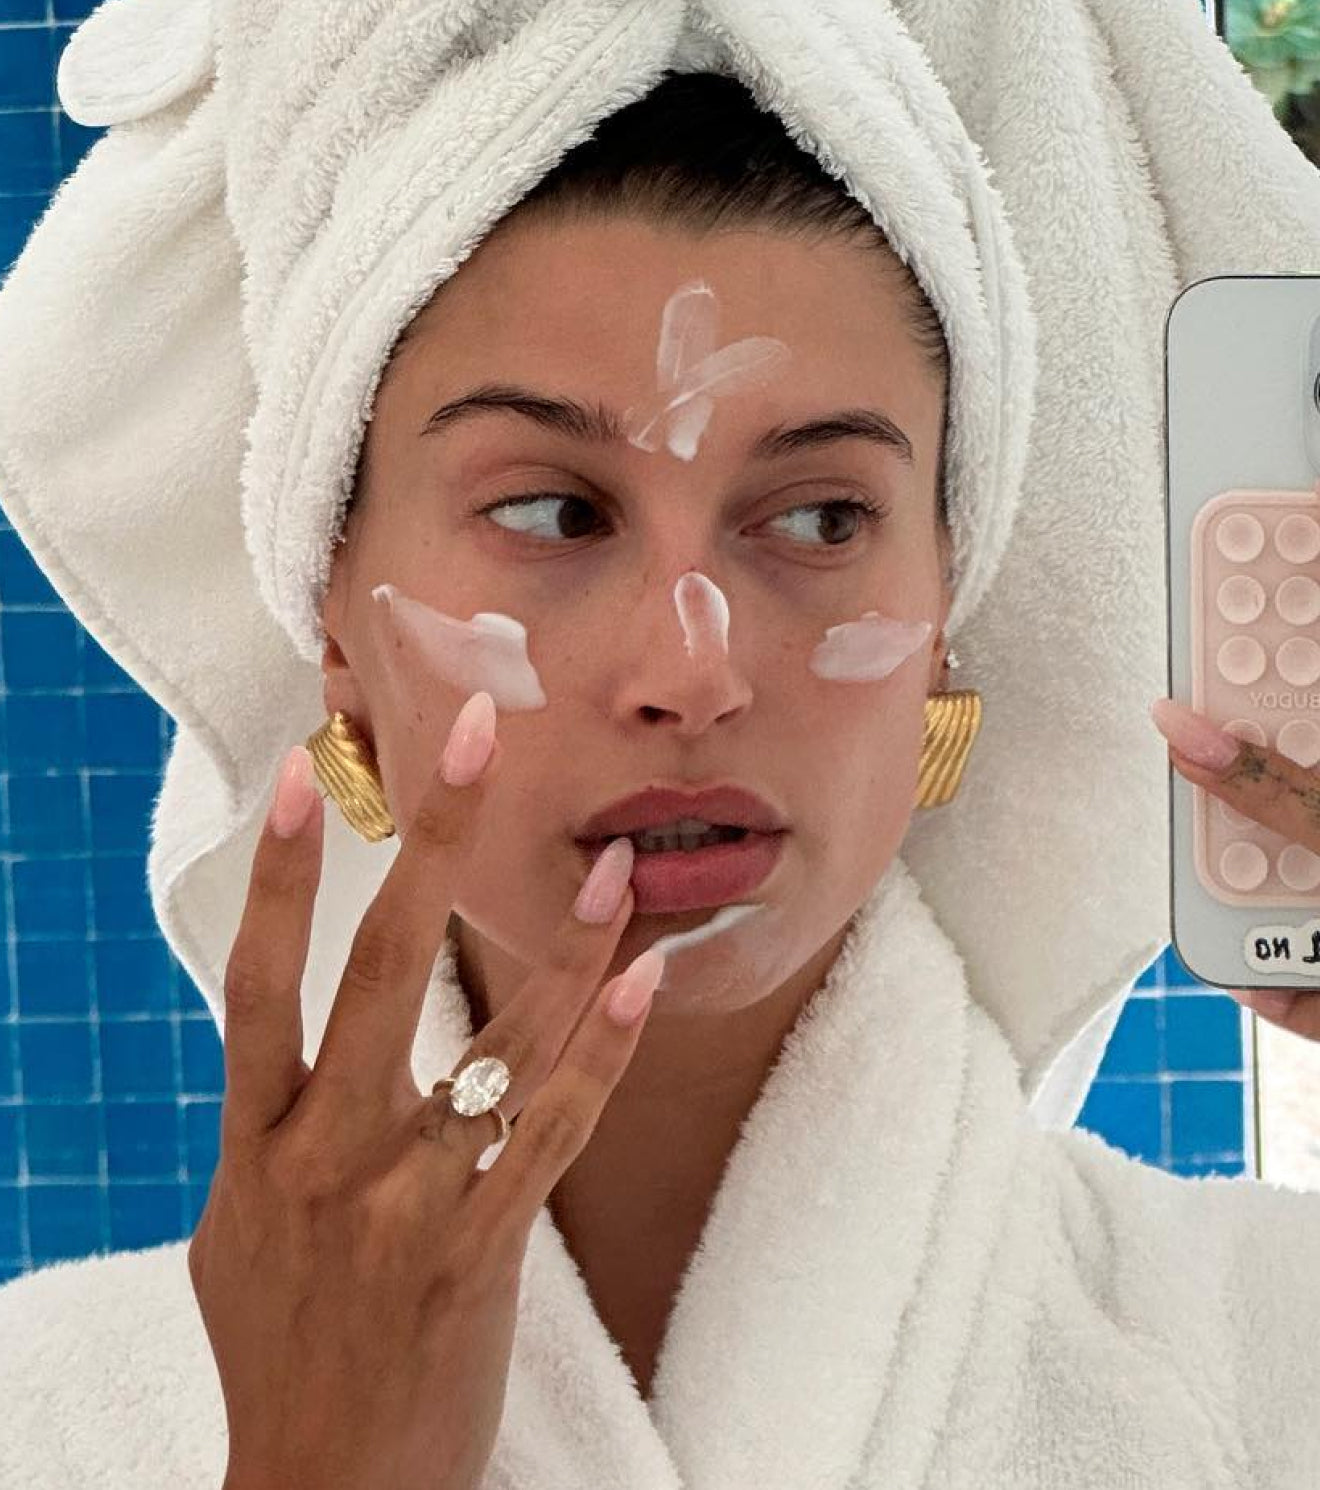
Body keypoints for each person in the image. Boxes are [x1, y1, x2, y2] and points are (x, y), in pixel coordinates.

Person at [3, 2, 1320, 1486]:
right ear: (333, 613)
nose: (694, 672)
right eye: (553, 511)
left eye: (820, 517)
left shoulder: (1276, 1362)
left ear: (948, 610)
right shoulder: (42, 1423)